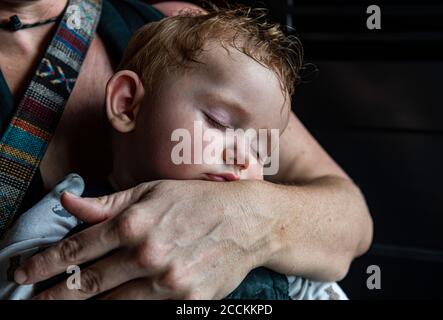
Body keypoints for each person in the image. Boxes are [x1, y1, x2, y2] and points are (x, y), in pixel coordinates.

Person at [0, 0, 372, 300]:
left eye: (262, 151)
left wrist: (253, 222)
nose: (246, 159)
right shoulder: (62, 214)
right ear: (127, 103)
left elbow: (351, 226)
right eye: (221, 125)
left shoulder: (199, 39)